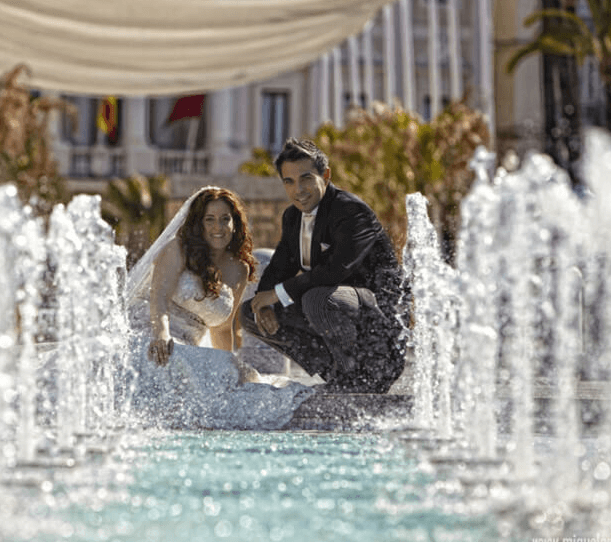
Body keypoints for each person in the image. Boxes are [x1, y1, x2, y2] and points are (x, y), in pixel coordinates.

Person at [124, 187, 314, 429]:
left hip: (189, 345)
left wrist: (228, 362)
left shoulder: (240, 269)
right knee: (171, 363)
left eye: (225, 219)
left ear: (235, 223)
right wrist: (161, 334)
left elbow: (222, 327)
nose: (218, 227)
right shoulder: (178, 248)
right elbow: (158, 297)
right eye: (210, 220)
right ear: (199, 223)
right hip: (151, 331)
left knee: (227, 372)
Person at [240, 138, 407, 393]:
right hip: (332, 308)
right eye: (289, 182)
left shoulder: (351, 211)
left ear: (325, 175)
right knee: (248, 313)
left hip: (378, 324)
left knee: (317, 298)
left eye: (306, 178)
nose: (299, 190)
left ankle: (363, 375)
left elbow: (335, 271)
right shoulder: (292, 217)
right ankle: (337, 376)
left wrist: (277, 294)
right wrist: (265, 302)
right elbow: (279, 267)